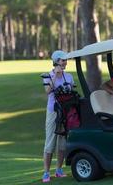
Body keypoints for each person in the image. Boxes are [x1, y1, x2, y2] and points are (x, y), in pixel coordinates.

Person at [41, 50, 74, 183]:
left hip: (66, 111)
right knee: (50, 142)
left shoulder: (69, 76)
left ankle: (59, 169)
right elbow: (48, 91)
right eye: (63, 60)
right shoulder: (47, 76)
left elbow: (71, 91)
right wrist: (55, 75)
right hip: (53, 111)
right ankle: (46, 172)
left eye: (66, 60)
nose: (65, 62)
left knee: (62, 142)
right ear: (56, 61)